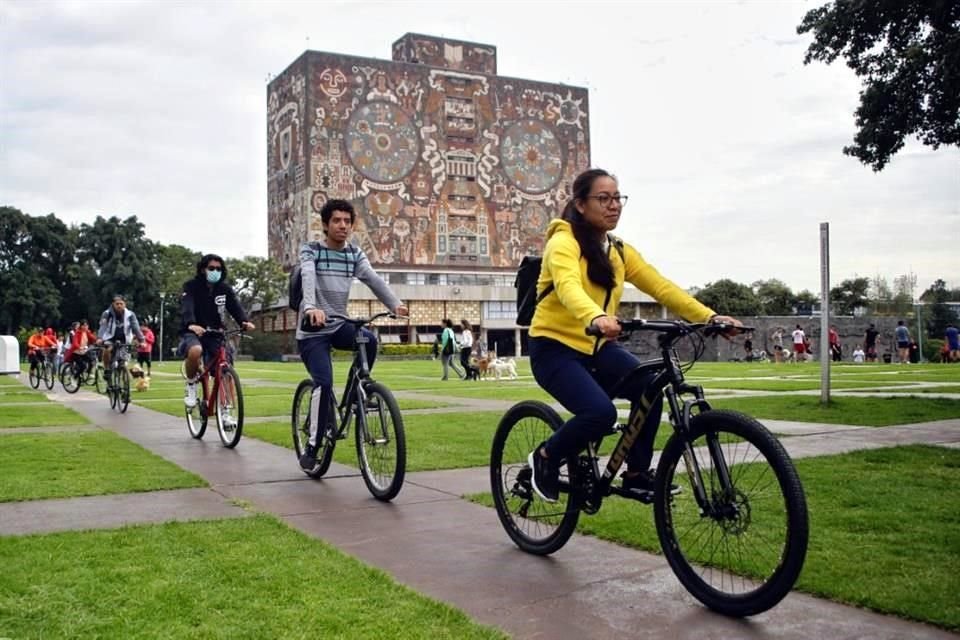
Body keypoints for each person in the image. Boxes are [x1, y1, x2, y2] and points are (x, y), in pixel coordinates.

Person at [525, 168, 741, 503]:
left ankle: (637, 474)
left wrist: (709, 317)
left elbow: (661, 287)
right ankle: (546, 457)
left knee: (650, 387)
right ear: (581, 204)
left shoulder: (619, 250)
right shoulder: (562, 243)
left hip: (596, 347)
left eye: (617, 198)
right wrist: (595, 316)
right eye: (603, 198)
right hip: (554, 349)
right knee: (600, 414)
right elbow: (568, 287)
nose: (614, 206)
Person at [296, 199, 408, 470]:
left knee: (368, 339)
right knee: (323, 382)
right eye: (336, 221)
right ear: (325, 225)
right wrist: (311, 307)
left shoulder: (354, 254)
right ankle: (313, 445)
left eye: (347, 221)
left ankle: (356, 394)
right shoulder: (311, 250)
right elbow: (308, 277)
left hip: (339, 323)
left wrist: (395, 304)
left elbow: (373, 278)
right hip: (313, 330)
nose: (342, 226)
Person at [177, 254, 255, 409]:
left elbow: (234, 306)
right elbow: (187, 305)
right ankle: (191, 384)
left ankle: (226, 411)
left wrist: (244, 321)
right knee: (195, 351)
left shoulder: (224, 289)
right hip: (194, 330)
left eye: (218, 269)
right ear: (202, 269)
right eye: (211, 268)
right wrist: (192, 323)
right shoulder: (191, 286)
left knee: (225, 368)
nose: (215, 271)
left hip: (216, 332)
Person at [97, 295, 145, 382]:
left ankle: (123, 380)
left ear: (125, 304)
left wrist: (142, 340)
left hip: (125, 339)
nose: (119, 306)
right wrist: (100, 338)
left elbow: (136, 327)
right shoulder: (107, 313)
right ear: (113, 304)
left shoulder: (130, 314)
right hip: (110, 337)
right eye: (117, 304)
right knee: (107, 349)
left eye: (121, 304)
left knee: (123, 361)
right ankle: (107, 369)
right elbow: (103, 326)